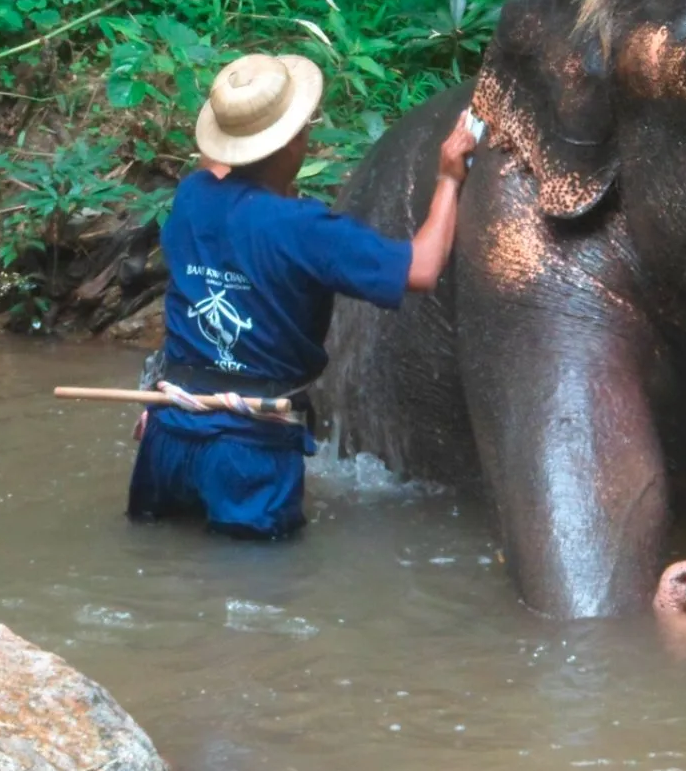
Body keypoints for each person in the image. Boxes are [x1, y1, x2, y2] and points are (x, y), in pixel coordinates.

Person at [127, 52, 478, 539]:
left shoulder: (190, 197)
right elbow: (421, 268)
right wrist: (447, 178)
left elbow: (218, 168)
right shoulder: (304, 229)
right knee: (252, 600)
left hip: (169, 435)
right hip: (250, 451)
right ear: (295, 141)